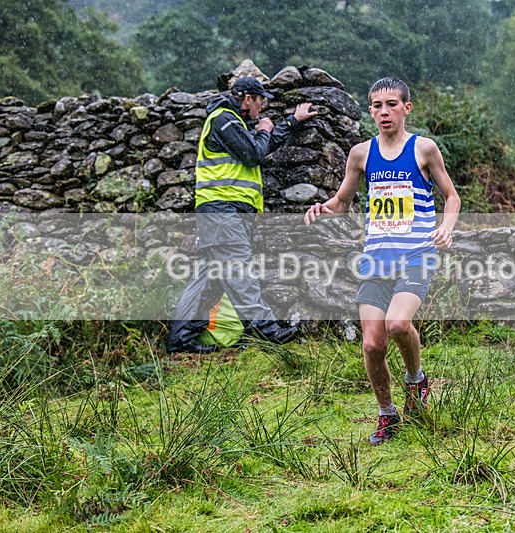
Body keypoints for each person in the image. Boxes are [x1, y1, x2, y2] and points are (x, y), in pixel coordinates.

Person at [304, 77, 461, 445]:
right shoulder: (361, 153)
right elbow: (342, 202)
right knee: (373, 344)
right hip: (376, 259)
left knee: (397, 323)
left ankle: (415, 380)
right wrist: (323, 209)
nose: (384, 111)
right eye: (376, 105)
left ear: (407, 107)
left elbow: (451, 197)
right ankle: (387, 415)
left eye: (392, 104)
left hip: (416, 256)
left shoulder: (424, 149)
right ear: (370, 110)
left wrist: (447, 227)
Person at [168, 76, 318, 354]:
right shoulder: (224, 119)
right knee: (239, 272)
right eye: (261, 102)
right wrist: (264, 129)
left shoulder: (232, 122)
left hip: (223, 212)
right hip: (222, 211)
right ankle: (268, 332)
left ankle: (181, 340)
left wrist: (291, 122)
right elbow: (254, 154)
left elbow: (260, 146)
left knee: (207, 278)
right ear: (248, 98)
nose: (261, 109)